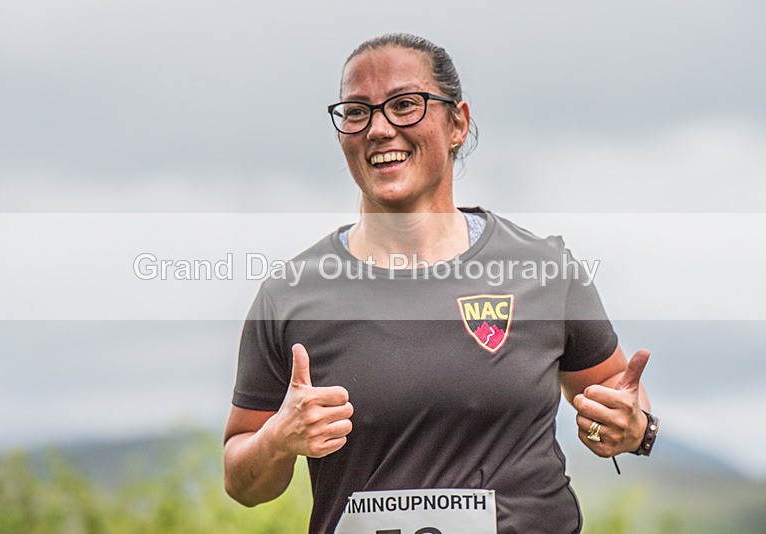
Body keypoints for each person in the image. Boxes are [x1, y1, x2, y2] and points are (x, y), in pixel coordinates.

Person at [223, 33, 658, 534]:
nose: (379, 129)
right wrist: (278, 439)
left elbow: (621, 400)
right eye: (357, 112)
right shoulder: (291, 295)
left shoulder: (543, 270)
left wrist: (633, 428)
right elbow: (242, 480)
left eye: (405, 105)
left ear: (458, 123)